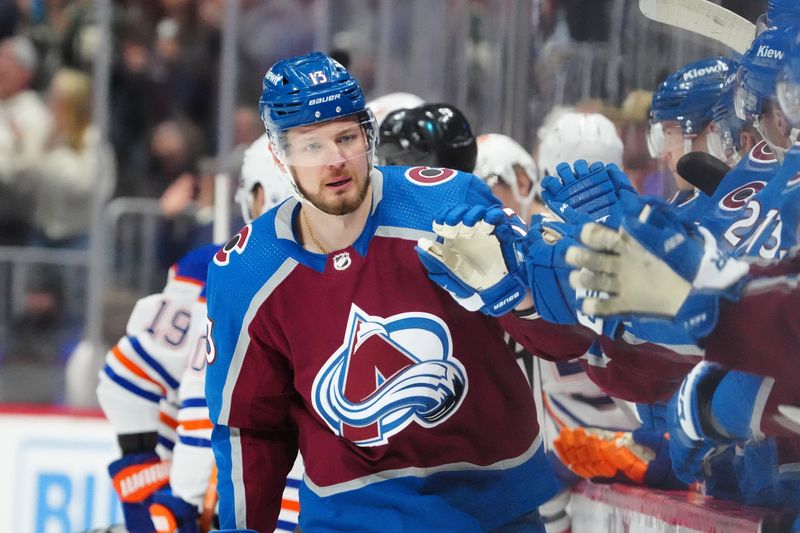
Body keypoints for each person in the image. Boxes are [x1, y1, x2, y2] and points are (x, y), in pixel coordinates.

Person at [204, 51, 595, 532]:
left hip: (495, 511)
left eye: (346, 137)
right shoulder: (246, 270)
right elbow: (250, 429)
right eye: (311, 146)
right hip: (353, 521)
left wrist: (521, 296)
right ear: (280, 155)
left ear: (368, 134)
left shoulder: (450, 204)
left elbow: (568, 344)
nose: (336, 161)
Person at [97, 135, 292, 533]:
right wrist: (165, 499)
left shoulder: (221, 270)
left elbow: (131, 379)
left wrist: (176, 501)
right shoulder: (217, 270)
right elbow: (135, 380)